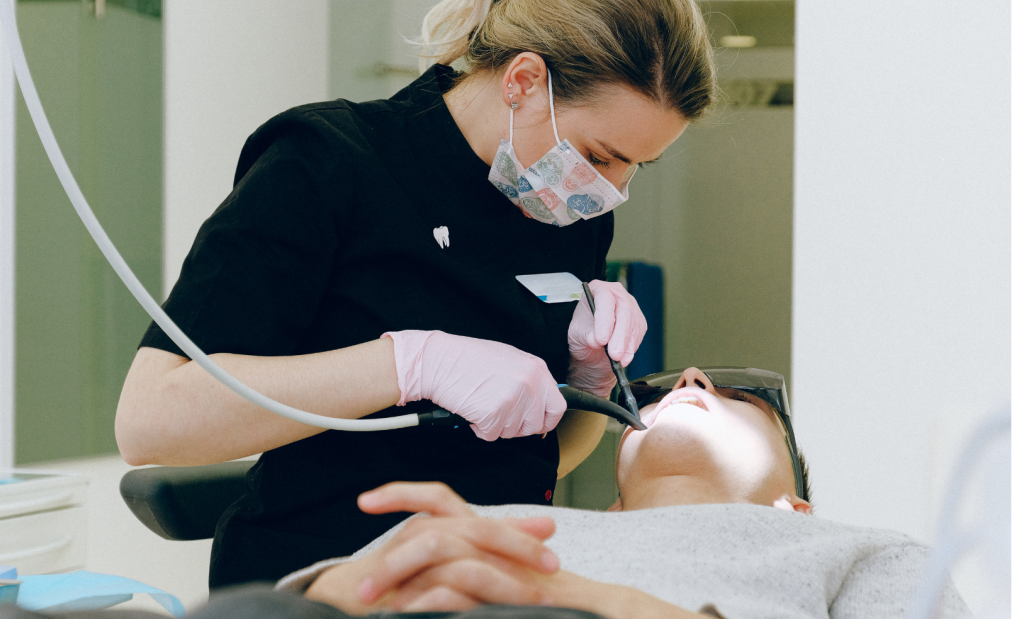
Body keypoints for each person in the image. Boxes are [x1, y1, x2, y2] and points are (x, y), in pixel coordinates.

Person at [115, 0, 716, 590]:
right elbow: (151, 421)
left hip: (483, 585)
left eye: (637, 167)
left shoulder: (566, 210)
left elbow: (538, 461)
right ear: (524, 81)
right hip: (319, 583)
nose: (610, 192)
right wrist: (408, 364)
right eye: (599, 157)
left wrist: (587, 384)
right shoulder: (326, 160)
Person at [273, 367, 969, 619]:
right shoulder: (499, 521)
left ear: (795, 507)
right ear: (611, 510)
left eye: (736, 393)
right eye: (666, 389)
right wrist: (358, 582)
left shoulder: (861, 550)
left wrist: (583, 601)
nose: (691, 377)